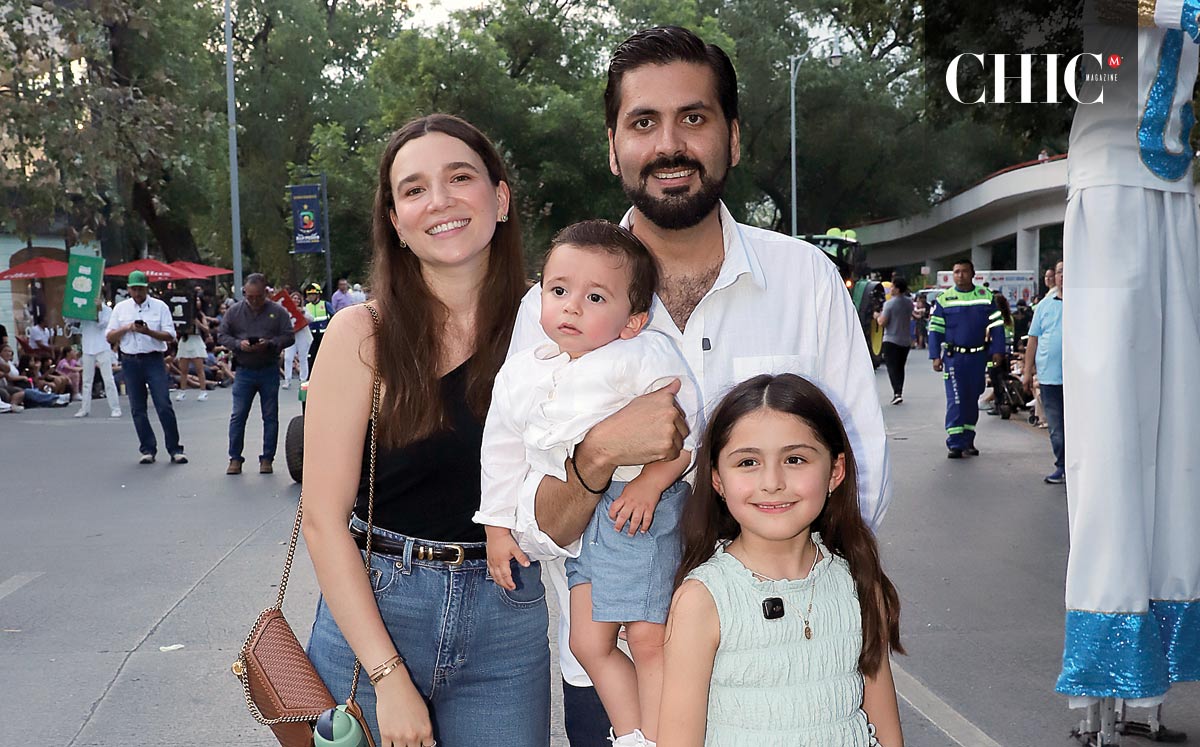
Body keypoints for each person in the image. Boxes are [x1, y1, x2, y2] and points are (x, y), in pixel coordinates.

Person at [503, 26, 891, 746]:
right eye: (643, 122)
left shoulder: (805, 281)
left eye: (694, 117)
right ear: (613, 146)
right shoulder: (549, 314)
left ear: (732, 138)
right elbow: (540, 526)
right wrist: (596, 458)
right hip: (615, 673)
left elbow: (859, 480)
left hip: (786, 678)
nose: (670, 145)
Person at [302, 113, 548, 747]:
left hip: (508, 613)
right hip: (377, 611)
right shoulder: (363, 336)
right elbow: (323, 519)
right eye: (413, 189)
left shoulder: (551, 329)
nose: (439, 201)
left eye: (459, 177)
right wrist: (387, 677)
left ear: (500, 197)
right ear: (396, 222)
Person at [477, 221, 697, 746]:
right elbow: (501, 451)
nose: (571, 306)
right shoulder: (522, 372)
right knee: (586, 643)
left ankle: (666, 735)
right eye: (558, 291)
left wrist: (651, 481)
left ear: (632, 320)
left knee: (646, 638)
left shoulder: (641, 357)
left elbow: (691, 432)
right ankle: (633, 734)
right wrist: (497, 528)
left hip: (635, 509)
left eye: (595, 296)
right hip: (578, 525)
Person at [1055, 5, 1199, 732]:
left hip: (1177, 189)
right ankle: (1098, 694)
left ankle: (1145, 695)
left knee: (1177, 446)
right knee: (1111, 445)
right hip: (1110, 187)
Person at [659, 373, 903, 747]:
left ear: (835, 471)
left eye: (795, 459)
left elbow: (885, 727)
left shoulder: (857, 579)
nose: (772, 482)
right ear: (718, 480)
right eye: (747, 463)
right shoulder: (704, 599)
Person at [106, 270, 187, 464]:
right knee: (137, 407)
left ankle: (175, 448)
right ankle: (147, 448)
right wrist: (127, 328)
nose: (137, 293)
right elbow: (109, 336)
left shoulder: (159, 307)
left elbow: (170, 335)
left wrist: (148, 331)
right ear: (128, 289)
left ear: (146, 288)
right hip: (130, 359)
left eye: (140, 289)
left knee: (163, 404)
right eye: (133, 289)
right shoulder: (121, 309)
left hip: (153, 359)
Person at [927, 259, 1006, 458]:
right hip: (955, 358)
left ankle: (968, 438)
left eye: (964, 271)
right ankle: (955, 443)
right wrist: (936, 356)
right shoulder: (945, 299)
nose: (960, 275)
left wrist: (998, 350)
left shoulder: (985, 296)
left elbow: (997, 326)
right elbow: (935, 330)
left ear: (973, 274)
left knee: (972, 398)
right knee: (956, 399)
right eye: (956, 272)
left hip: (978, 357)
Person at [217, 273, 294, 475]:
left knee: (270, 416)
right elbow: (222, 335)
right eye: (249, 296)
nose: (253, 301)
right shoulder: (234, 312)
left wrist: (270, 343)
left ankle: (267, 458)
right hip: (244, 369)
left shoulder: (277, 312)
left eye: (258, 297)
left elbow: (289, 336)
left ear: (266, 293)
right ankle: (235, 458)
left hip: (268, 367)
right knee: (238, 415)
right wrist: (237, 344)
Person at [1021, 260, 1064, 484]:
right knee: (1056, 426)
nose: (1063, 276)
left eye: (1067, 271)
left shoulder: (1086, 303)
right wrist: (1028, 372)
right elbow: (1033, 339)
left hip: (1080, 379)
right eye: (1059, 272)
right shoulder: (1045, 306)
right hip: (1050, 376)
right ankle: (1062, 466)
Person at [75, 294, 122, 418]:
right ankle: (84, 408)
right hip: (87, 347)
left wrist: (98, 310)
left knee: (108, 379)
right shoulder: (84, 308)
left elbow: (102, 324)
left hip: (102, 347)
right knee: (86, 380)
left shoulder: (107, 310)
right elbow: (74, 323)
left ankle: (115, 408)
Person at [875, 278, 914, 405]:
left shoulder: (889, 304)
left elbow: (882, 322)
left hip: (891, 339)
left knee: (892, 367)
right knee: (900, 367)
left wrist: (877, 316)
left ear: (897, 289)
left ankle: (896, 392)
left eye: (892, 287)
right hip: (905, 340)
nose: (890, 289)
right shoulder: (909, 303)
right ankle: (899, 391)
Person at [175, 285, 211, 402]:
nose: (197, 302)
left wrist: (198, 323)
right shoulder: (184, 313)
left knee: (199, 368)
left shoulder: (200, 315)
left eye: (198, 300)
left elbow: (206, 329)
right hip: (185, 340)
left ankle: (203, 390)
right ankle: (182, 391)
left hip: (196, 340)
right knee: (183, 369)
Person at [281, 289, 313, 389]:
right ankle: (287, 380)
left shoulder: (304, 309)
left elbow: (311, 319)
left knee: (303, 358)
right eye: (294, 298)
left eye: (298, 299)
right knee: (288, 358)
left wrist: (302, 312)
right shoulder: (286, 310)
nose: (296, 300)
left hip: (302, 335)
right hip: (291, 336)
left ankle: (303, 379)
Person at [303, 283, 334, 372]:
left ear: (318, 294)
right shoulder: (307, 306)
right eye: (309, 295)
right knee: (311, 356)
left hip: (323, 335)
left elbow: (333, 316)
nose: (311, 296)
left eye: (313, 294)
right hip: (311, 335)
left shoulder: (325, 305)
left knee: (324, 355)